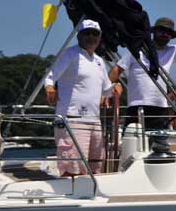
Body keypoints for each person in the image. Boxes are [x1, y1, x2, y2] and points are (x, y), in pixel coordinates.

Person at [44, 20, 122, 176]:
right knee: (74, 168)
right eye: (87, 33)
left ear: (99, 38)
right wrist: (50, 88)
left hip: (95, 121)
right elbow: (50, 74)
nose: (91, 37)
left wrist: (115, 87)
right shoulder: (70, 54)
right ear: (79, 36)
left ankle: (92, 191)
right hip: (72, 120)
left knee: (96, 167)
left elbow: (106, 90)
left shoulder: (99, 61)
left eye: (95, 34)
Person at [108, 17, 176, 136]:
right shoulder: (137, 50)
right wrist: (104, 92)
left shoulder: (172, 51)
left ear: (171, 36)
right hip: (136, 106)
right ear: (154, 32)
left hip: (160, 108)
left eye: (168, 32)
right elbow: (117, 69)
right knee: (132, 142)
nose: (165, 34)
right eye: (162, 31)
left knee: (158, 144)